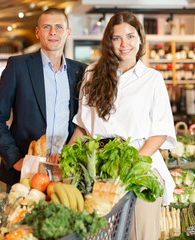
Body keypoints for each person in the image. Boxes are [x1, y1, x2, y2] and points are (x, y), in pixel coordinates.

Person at [68, 12, 176, 240]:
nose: (124, 44)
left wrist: (130, 166)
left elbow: (160, 132)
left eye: (130, 36)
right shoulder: (91, 74)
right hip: (98, 168)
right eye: (117, 38)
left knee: (141, 235)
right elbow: (83, 127)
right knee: (100, 235)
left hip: (141, 167)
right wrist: (66, 158)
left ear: (139, 39)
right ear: (109, 42)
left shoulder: (152, 79)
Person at [0, 8, 87, 193]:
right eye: (47, 27)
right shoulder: (18, 66)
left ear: (68, 32)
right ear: (37, 32)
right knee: (23, 219)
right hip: (27, 168)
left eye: (59, 27)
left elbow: (85, 121)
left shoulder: (81, 71)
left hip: (66, 169)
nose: (53, 32)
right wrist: (15, 159)